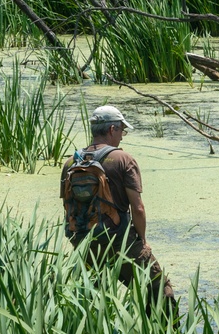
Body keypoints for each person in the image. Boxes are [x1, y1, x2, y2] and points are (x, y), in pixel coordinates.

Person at [61, 104, 175, 312]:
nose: (122, 136)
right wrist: (142, 241)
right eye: (122, 130)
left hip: (84, 243)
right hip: (120, 240)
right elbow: (138, 208)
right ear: (112, 129)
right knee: (158, 289)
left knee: (92, 297)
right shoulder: (123, 159)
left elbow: (67, 205)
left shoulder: (70, 163)